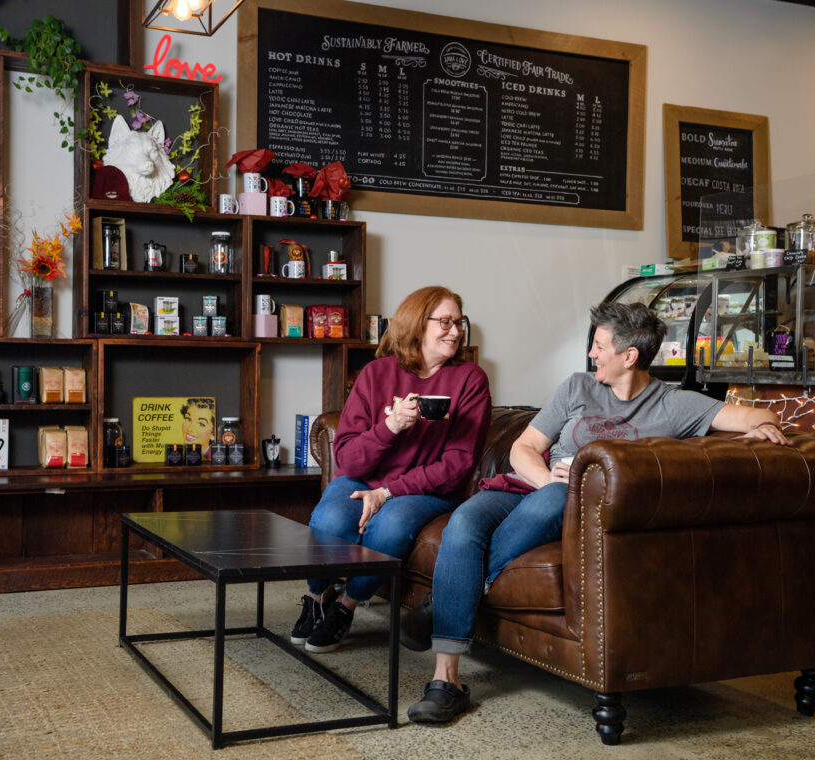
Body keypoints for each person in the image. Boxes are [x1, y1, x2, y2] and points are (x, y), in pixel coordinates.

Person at [403, 301, 789, 723]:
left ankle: (445, 640)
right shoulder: (576, 387)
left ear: (630, 356)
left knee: (554, 501)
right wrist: (549, 481)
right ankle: (448, 659)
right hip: (528, 485)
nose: (591, 354)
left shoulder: (674, 405)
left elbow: (758, 413)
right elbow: (523, 448)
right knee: (464, 523)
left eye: (600, 346)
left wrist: (764, 425)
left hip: (571, 505)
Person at [293, 286, 492, 653]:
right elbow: (349, 458)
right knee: (329, 522)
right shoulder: (375, 374)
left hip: (423, 491)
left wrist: (387, 492)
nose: (456, 331)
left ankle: (346, 605)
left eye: (458, 322)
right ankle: (317, 597)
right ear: (417, 325)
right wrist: (390, 428)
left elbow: (458, 464)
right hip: (363, 476)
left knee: (391, 529)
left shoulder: (470, 380)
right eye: (445, 322)